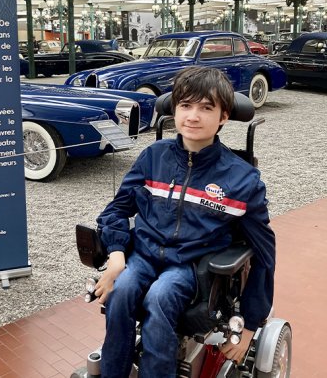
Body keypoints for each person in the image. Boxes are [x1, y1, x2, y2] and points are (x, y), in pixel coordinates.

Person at [94, 66, 276, 378]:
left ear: (223, 116)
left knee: (160, 295)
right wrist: (115, 255)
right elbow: (116, 211)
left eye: (206, 108)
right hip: (145, 253)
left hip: (191, 264)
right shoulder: (154, 157)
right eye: (185, 106)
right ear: (174, 110)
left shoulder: (242, 179)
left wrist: (248, 323)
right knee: (121, 289)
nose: (193, 116)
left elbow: (263, 250)